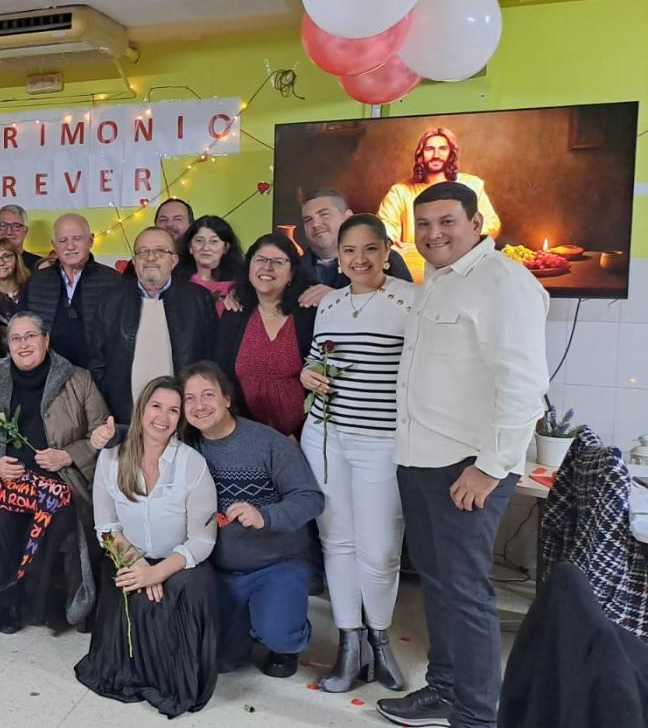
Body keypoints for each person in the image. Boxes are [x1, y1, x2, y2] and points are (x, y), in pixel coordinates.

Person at [375, 181, 548, 728]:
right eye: (423, 224)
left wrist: (490, 467)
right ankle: (444, 689)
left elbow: (523, 385)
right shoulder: (438, 282)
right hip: (420, 459)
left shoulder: (503, 283)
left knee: (466, 590)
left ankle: (475, 714)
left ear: (477, 224)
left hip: (466, 467)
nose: (433, 234)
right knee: (438, 582)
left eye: (447, 222)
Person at [297, 213, 414, 694]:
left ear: (387, 251)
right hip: (325, 437)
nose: (359, 259)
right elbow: (314, 359)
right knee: (337, 542)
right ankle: (349, 642)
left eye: (370, 249)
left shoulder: (412, 301)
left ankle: (380, 641)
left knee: (381, 548)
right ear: (339, 258)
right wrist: (307, 376)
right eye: (349, 251)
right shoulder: (331, 304)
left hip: (382, 441)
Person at [75, 376, 219, 718]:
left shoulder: (192, 464)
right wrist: (139, 567)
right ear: (141, 410)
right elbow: (107, 528)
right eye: (156, 406)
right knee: (130, 589)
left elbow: (203, 539)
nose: (163, 418)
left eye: (173, 410)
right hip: (127, 555)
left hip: (180, 560)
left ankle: (176, 679)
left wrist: (157, 571)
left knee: (190, 587)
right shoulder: (111, 459)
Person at [0, 312, 108, 632]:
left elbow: (101, 434)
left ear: (46, 340)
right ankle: (1, 605)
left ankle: (37, 603)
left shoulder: (78, 379)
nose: (23, 344)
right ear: (7, 344)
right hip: (5, 481)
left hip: (58, 482)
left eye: (30, 337)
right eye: (15, 338)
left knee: (54, 518)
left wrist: (67, 455)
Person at [182, 362, 324, 679]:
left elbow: (311, 498)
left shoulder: (267, 442)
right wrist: (110, 437)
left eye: (208, 395)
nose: (199, 405)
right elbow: (145, 434)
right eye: (189, 399)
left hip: (277, 562)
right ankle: (246, 621)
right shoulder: (186, 446)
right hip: (216, 569)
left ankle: (287, 636)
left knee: (278, 633)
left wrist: (265, 516)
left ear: (228, 399)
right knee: (216, 658)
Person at [92, 228, 216, 436]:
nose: (150, 258)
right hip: (127, 420)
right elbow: (97, 362)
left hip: (186, 421)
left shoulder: (198, 300)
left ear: (174, 260)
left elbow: (212, 359)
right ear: (134, 260)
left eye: (160, 251)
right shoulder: (110, 301)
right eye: (142, 252)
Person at [214, 234, 314, 438]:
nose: (267, 267)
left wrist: (298, 434)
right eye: (260, 260)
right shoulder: (235, 313)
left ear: (292, 273)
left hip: (303, 437)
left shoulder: (309, 314)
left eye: (278, 262)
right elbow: (221, 375)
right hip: (246, 434)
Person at [20, 213, 123, 369]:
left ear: (91, 240)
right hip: (46, 375)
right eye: (63, 240)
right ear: (54, 245)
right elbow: (21, 327)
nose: (70, 246)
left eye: (77, 239)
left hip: (99, 376)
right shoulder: (36, 282)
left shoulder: (114, 281)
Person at [377, 127, 501, 252]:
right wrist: (387, 240)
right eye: (429, 149)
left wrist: (463, 242)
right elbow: (386, 225)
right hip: (417, 263)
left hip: (462, 260)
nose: (436, 155)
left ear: (451, 153)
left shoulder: (472, 185)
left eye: (443, 149)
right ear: (420, 154)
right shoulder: (400, 192)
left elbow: (491, 224)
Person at [296, 190, 411, 308]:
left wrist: (339, 299)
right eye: (308, 220)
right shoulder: (291, 268)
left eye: (324, 214)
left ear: (348, 217)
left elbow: (409, 308)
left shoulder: (386, 259)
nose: (315, 224)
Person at [177, 215, 245, 314]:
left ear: (226, 247)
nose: (206, 247)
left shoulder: (240, 285)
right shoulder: (176, 283)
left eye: (214, 241)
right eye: (199, 241)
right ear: (190, 247)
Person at [120, 198, 194, 279]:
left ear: (191, 225)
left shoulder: (199, 260)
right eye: (163, 220)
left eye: (178, 219)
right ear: (155, 225)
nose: (169, 224)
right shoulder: (141, 262)